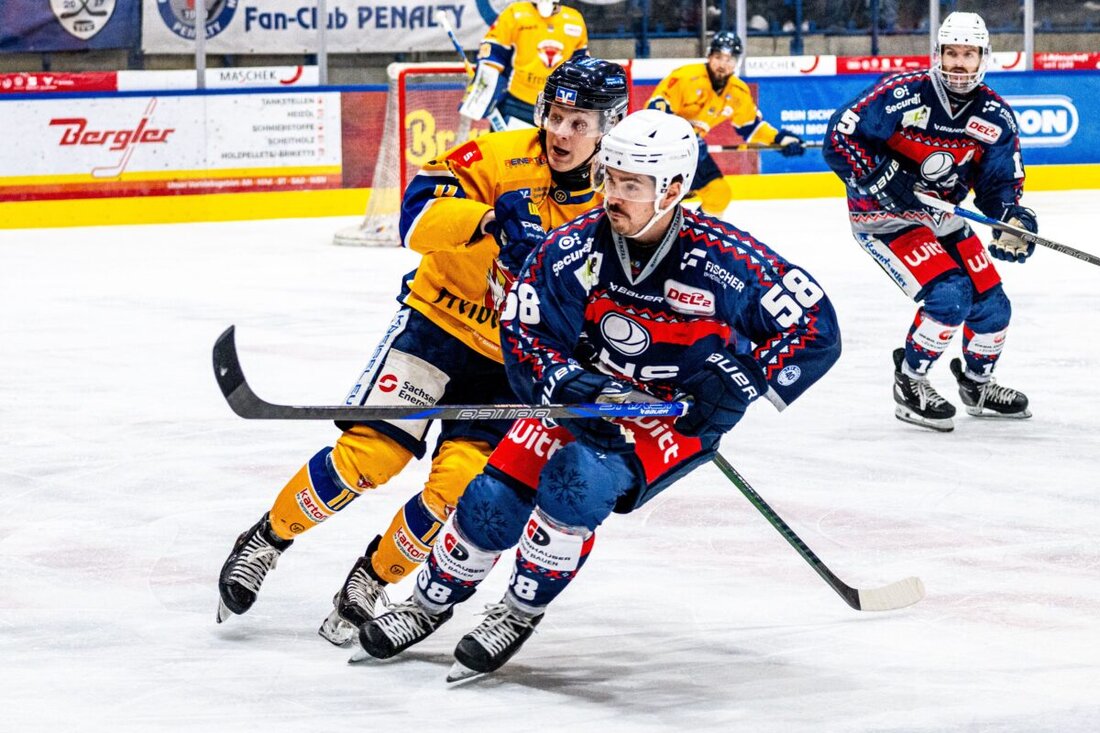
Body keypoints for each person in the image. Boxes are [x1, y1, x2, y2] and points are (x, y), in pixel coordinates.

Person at [353, 109, 841, 679]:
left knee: (577, 480)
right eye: (610, 178)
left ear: (675, 189)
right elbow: (524, 328)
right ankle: (427, 602)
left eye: (631, 185)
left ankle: (516, 611)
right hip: (587, 392)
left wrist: (737, 383)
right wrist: (567, 380)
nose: (612, 194)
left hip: (671, 416)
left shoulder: (725, 260)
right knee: (491, 497)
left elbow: (816, 331)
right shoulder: (573, 248)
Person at [215, 58, 631, 643]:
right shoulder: (498, 156)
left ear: (608, 127)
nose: (561, 133)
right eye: (555, 116)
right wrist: (488, 221)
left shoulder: (615, 203)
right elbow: (413, 219)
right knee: (370, 457)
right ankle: (266, 540)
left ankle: (371, 579)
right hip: (435, 327)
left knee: (457, 487)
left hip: (513, 364)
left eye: (578, 123)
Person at [823, 11, 1036, 432]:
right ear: (937, 54)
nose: (959, 63)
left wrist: (1012, 216)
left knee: (993, 306)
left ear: (983, 58)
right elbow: (839, 137)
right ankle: (911, 381)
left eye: (968, 54)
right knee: (950, 298)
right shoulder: (904, 94)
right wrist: (879, 176)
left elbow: (998, 185)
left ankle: (977, 385)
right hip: (884, 217)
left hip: (941, 216)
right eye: (951, 52)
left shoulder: (994, 116)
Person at [645, 30, 805, 216]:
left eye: (729, 59)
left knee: (719, 194)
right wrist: (682, 136)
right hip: (663, 150)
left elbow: (751, 128)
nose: (723, 64)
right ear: (709, 56)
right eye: (718, 56)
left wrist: (781, 140)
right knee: (656, 199)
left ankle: (691, 233)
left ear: (737, 62)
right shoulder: (685, 77)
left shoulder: (738, 92)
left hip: (694, 152)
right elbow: (655, 110)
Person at [459, 0, 589, 129]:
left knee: (546, 150)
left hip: (557, 108)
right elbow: (493, 54)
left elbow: (580, 66)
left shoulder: (575, 20)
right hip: (515, 104)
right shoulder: (515, 13)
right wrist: (483, 89)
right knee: (507, 149)